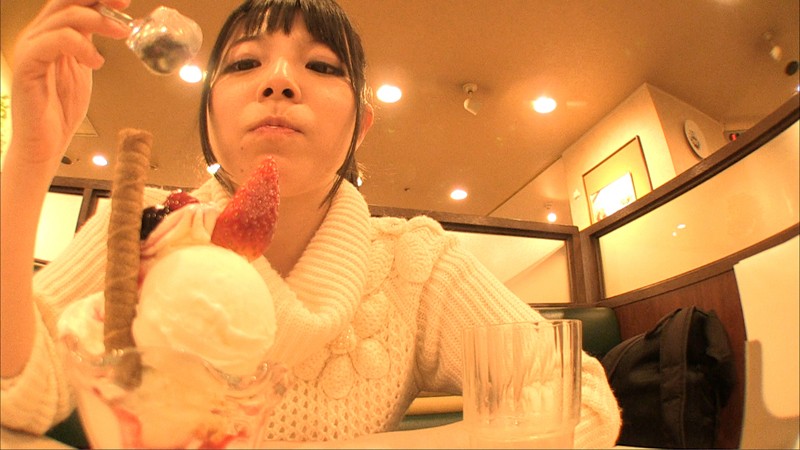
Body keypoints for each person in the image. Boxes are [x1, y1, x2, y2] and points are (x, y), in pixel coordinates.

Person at [0, 0, 621, 446]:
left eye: (322, 67)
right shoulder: (140, 228)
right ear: (210, 114)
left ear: (360, 126)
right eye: (244, 64)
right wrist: (29, 158)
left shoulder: (417, 265)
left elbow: (580, 400)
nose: (278, 81)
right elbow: (18, 391)